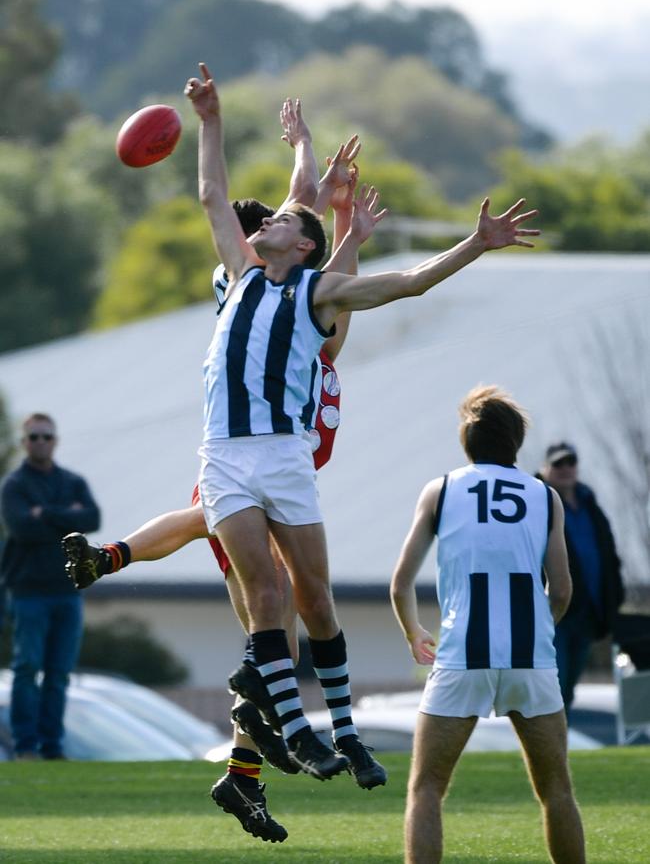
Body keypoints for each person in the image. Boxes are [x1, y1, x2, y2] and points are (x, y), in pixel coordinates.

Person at [173, 62, 540, 786]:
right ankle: (303, 733)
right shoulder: (239, 275)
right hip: (223, 456)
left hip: (284, 455)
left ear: (301, 246)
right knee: (267, 599)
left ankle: (348, 729)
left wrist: (475, 244)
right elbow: (215, 192)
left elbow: (406, 282)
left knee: (316, 599)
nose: (269, 219)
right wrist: (210, 119)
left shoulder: (320, 291)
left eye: (279, 222)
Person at [64, 114, 380, 841]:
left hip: (275, 461)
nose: (278, 222)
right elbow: (283, 228)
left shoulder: (294, 302)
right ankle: (253, 723)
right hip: (250, 464)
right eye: (267, 223)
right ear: (254, 243)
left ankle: (246, 758)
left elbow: (304, 231)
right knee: (277, 621)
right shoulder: (254, 291)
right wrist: (320, 202)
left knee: (282, 625)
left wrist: (318, 180)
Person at [390, 385, 585, 864]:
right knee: (557, 790)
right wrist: (541, 631)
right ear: (516, 444)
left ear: (467, 442)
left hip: (462, 656)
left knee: (426, 790)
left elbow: (401, 583)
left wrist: (414, 632)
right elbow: (560, 590)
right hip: (531, 659)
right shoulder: (545, 497)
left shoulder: (442, 490)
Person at [0, 413, 101, 760]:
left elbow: (92, 519)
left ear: (55, 440)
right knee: (27, 668)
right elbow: (21, 528)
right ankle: (26, 747)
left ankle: (52, 747)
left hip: (67, 589)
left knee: (59, 673)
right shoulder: (14, 485)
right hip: (27, 592)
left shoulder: (72, 481)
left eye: (45, 436)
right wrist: (64, 516)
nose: (40, 442)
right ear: (23, 443)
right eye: (33, 437)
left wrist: (44, 513)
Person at [539, 441, 624, 711]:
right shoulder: (536, 501)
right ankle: (545, 750)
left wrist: (614, 597)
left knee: (567, 692)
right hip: (553, 614)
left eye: (570, 462)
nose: (565, 468)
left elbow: (608, 554)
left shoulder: (589, 502)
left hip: (587, 614)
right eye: (558, 464)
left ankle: (559, 750)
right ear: (545, 468)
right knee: (553, 687)